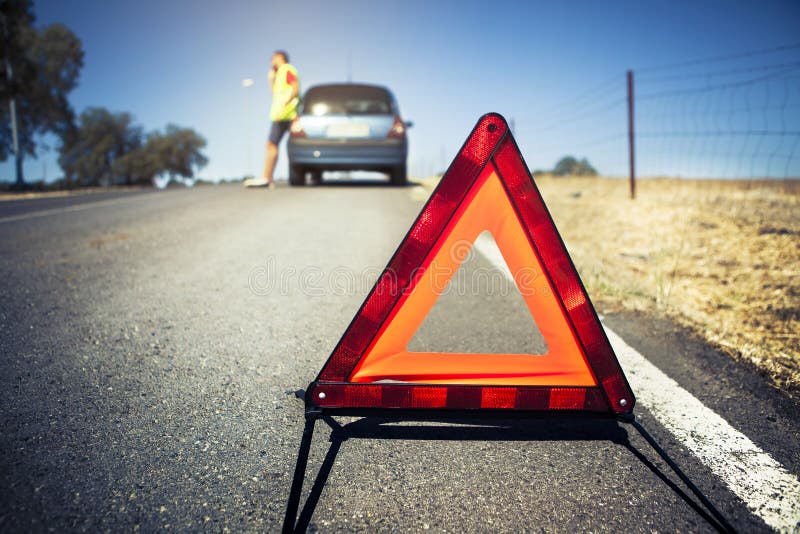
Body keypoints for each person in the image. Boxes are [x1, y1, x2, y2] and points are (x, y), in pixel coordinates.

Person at [245, 50, 300, 188]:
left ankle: (266, 178)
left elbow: (295, 88)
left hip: (285, 114)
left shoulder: (286, 69)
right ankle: (268, 178)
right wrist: (271, 79)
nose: (271, 62)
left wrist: (286, 103)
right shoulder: (278, 74)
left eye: (272, 59)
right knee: (283, 144)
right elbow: (274, 94)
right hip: (282, 114)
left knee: (271, 144)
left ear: (279, 57)